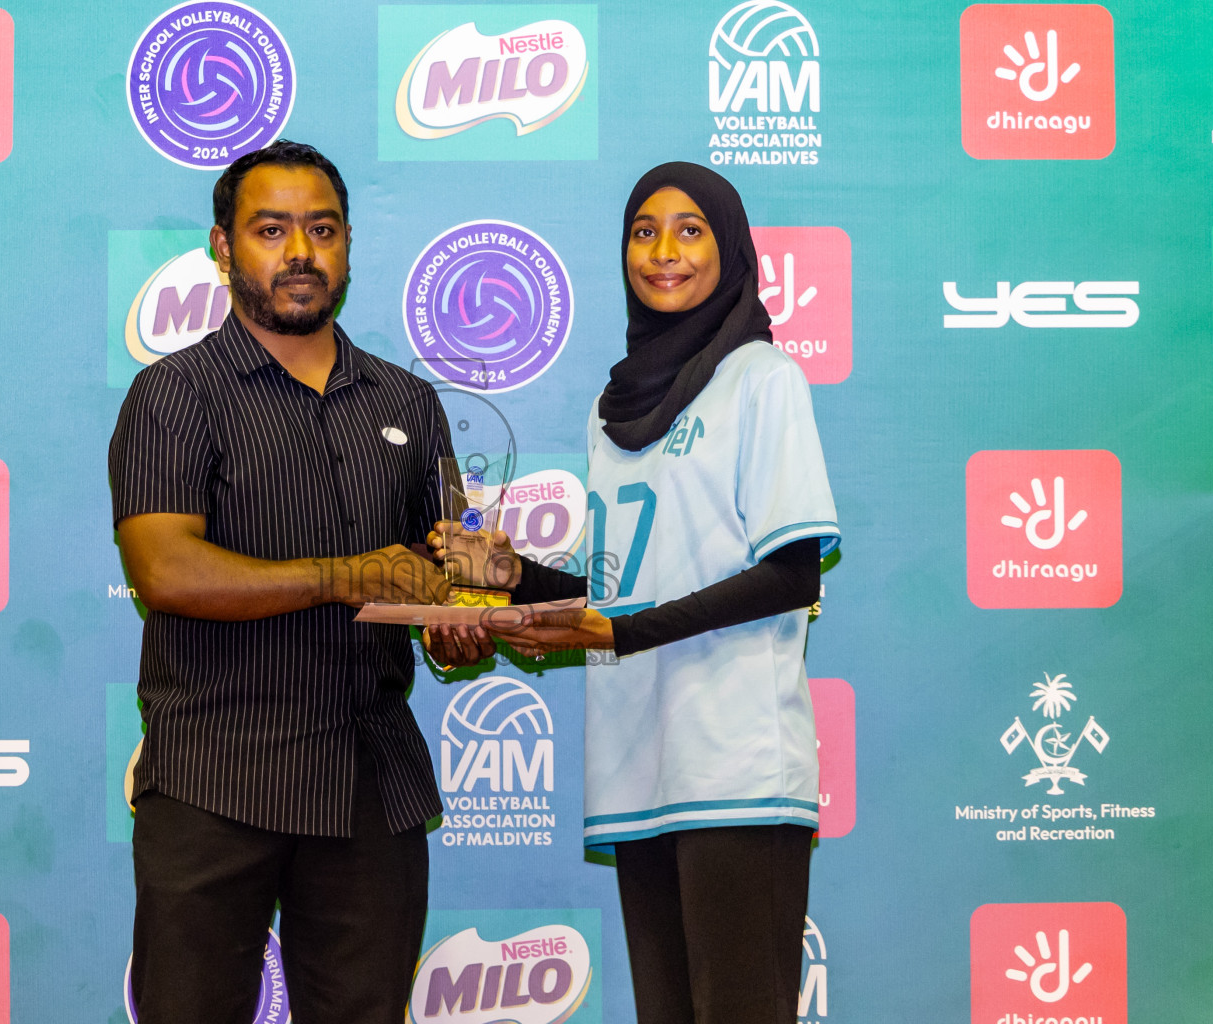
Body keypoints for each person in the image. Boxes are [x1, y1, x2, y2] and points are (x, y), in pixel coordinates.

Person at [432, 162, 839, 1024]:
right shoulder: (611, 409)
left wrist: (612, 637)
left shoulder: (763, 378)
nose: (663, 251)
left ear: (729, 250)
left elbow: (791, 573)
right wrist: (513, 581)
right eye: (644, 230)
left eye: (690, 230)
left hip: (737, 766)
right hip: (641, 769)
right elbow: (620, 588)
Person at [109, 140, 465, 1024]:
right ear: (223, 249)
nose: (300, 251)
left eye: (323, 230)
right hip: (214, 785)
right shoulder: (173, 395)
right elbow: (164, 571)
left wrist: (463, 620)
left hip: (369, 787)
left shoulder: (409, 404)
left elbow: (441, 578)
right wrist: (345, 576)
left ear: (347, 247)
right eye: (271, 230)